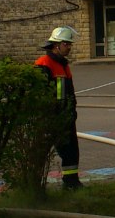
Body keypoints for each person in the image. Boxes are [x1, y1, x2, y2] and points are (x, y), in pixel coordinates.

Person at [34, 26, 84, 190]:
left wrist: (71, 111)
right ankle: (34, 185)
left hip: (65, 117)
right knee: (41, 152)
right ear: (56, 45)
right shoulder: (44, 64)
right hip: (50, 118)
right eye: (66, 44)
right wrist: (48, 116)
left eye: (70, 44)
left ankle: (71, 182)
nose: (69, 47)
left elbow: (69, 92)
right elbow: (40, 94)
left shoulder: (64, 65)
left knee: (71, 151)